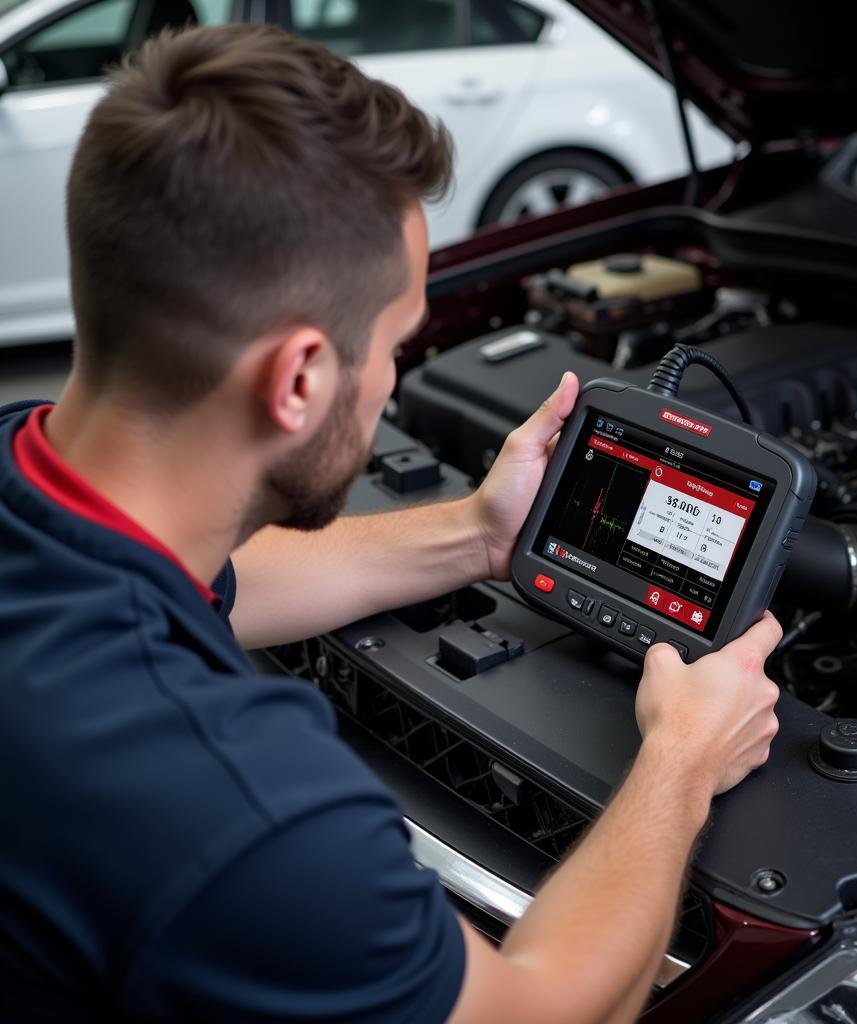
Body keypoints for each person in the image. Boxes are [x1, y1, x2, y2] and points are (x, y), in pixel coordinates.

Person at [0, 23, 781, 1024]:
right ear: (300, 378)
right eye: (397, 344)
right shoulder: (244, 807)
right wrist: (681, 761)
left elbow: (219, 578)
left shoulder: (37, 470)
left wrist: (476, 535)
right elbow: (541, 1014)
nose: (393, 382)